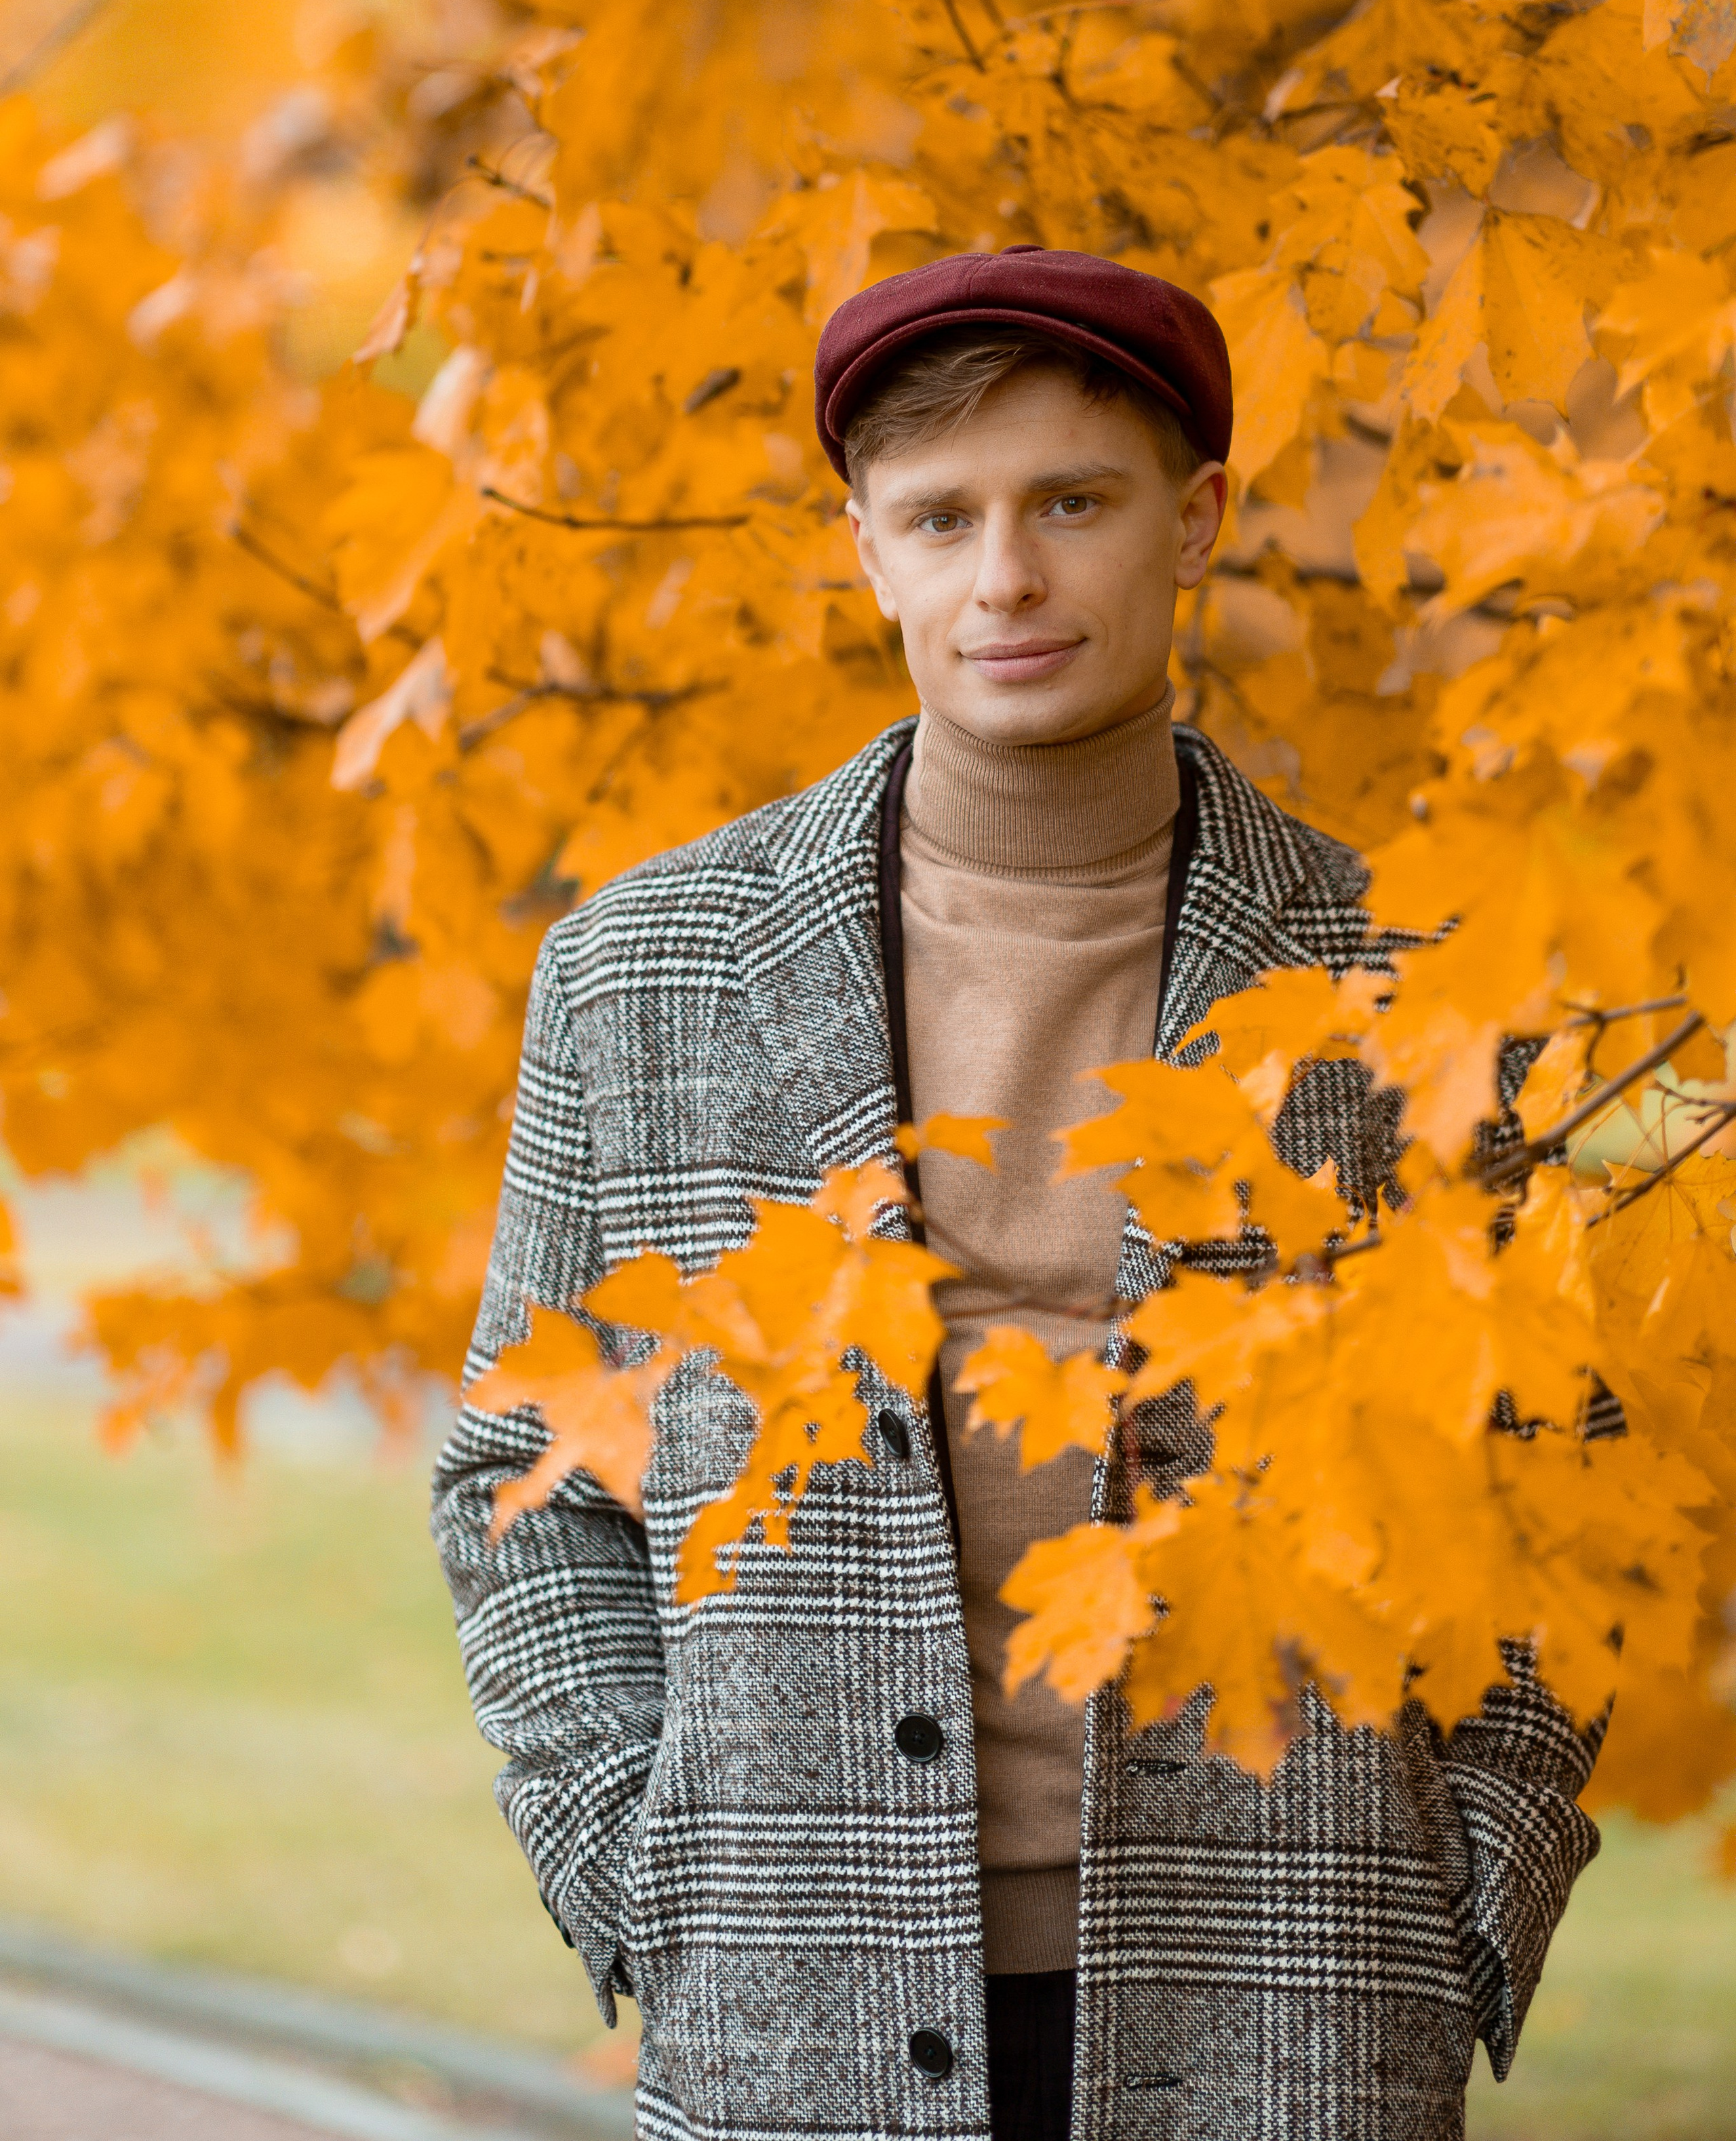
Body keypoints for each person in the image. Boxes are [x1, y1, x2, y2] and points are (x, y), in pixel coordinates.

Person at [432, 247, 1604, 2141]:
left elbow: (1554, 1474)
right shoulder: (644, 970)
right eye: (941, 518)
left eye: (1071, 502)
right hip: (786, 1987)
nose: (1006, 580)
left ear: (1194, 519)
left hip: (1305, 1988)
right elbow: (523, 1465)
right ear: (867, 552)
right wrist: (632, 1854)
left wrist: (1471, 1881)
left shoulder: (1410, 980)